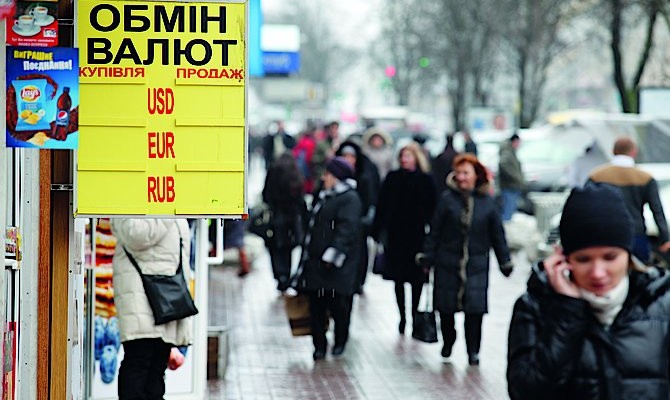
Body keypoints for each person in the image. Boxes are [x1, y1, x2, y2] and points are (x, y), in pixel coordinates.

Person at [507, 184, 670, 399]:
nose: (598, 273)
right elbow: (525, 392)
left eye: (610, 257)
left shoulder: (662, 302)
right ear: (563, 258)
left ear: (628, 255)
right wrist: (567, 313)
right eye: (583, 259)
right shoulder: (536, 307)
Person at [420, 153, 513, 366]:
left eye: (466, 173)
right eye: (458, 172)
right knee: (445, 308)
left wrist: (504, 261)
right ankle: (448, 340)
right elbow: (435, 231)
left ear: (476, 176)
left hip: (476, 264)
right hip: (447, 262)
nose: (461, 177)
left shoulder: (487, 203)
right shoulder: (447, 200)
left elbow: (498, 235)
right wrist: (428, 256)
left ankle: (473, 350)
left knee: (475, 311)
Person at [111, 218, 193, 399]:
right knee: (139, 362)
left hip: (163, 299)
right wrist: (167, 211)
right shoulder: (157, 205)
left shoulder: (169, 207)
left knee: (155, 369)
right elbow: (134, 233)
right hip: (141, 297)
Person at [296, 157, 362, 360]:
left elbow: (347, 230)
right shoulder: (324, 195)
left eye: (328, 174)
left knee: (338, 306)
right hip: (316, 261)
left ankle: (340, 341)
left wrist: (332, 256)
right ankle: (319, 345)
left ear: (337, 177)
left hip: (337, 265)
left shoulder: (349, 199)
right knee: (316, 305)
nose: (324, 178)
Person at [372, 142, 436, 334]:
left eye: (408, 156)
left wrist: (433, 236)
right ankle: (402, 316)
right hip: (396, 236)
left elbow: (433, 209)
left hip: (417, 236)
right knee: (398, 279)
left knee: (416, 279)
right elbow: (382, 205)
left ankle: (415, 311)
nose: (405, 160)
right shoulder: (392, 178)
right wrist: (377, 230)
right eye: (403, 156)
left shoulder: (425, 180)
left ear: (416, 158)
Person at [588, 137, 670, 264]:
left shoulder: (596, 176)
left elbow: (586, 206)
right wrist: (665, 238)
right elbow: (657, 210)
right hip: (635, 234)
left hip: (604, 235)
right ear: (633, 152)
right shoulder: (645, 178)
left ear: (613, 151)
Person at [335, 141, 381, 294]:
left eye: (351, 156)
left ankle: (357, 281)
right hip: (341, 220)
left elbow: (374, 195)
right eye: (345, 156)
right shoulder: (335, 173)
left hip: (360, 221)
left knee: (360, 252)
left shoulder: (366, 172)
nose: (348, 159)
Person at [262, 153, 306, 291]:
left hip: (275, 217)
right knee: (287, 249)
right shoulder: (295, 174)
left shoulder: (273, 171)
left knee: (275, 248)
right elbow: (300, 199)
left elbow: (266, 194)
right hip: (291, 219)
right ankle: (285, 275)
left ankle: (279, 275)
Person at [498, 133, 526, 221]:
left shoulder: (511, 152)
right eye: (518, 142)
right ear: (514, 142)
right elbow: (503, 164)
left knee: (510, 208)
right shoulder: (507, 153)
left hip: (512, 186)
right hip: (509, 186)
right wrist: (516, 177)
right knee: (508, 209)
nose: (519, 145)